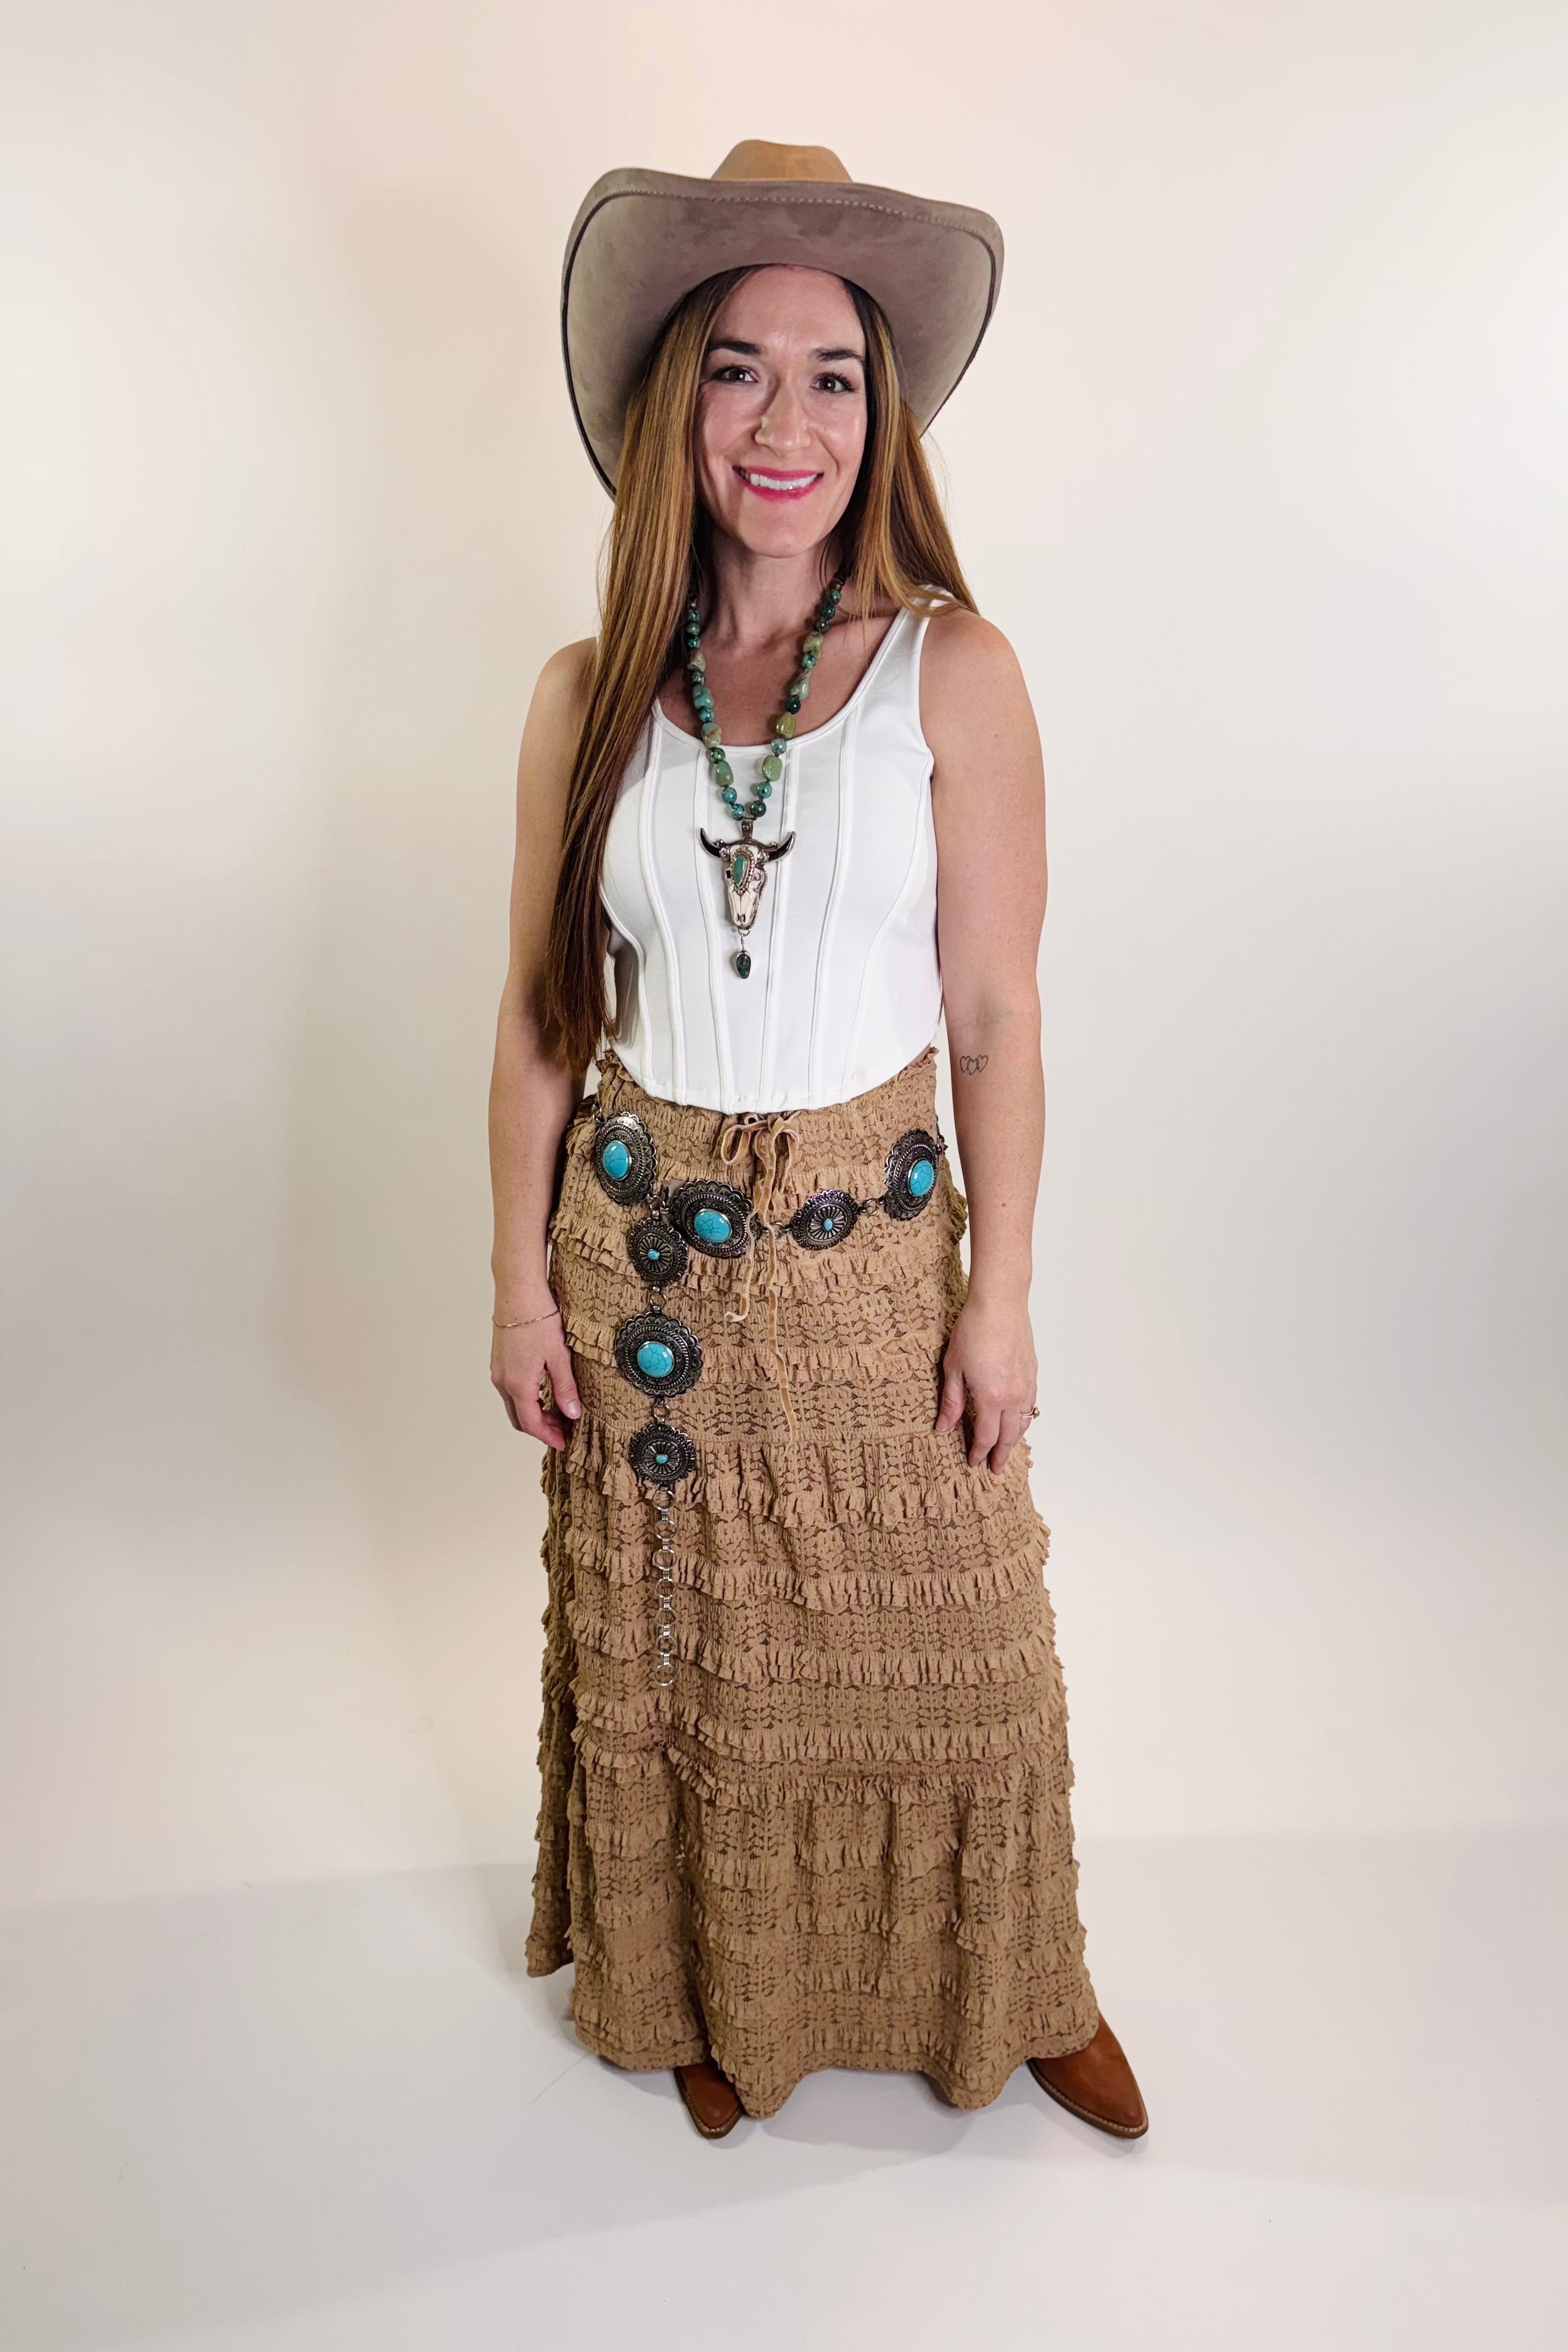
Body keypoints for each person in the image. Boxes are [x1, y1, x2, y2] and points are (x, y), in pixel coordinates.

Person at [488, 141, 1147, 2142]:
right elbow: (542, 1014)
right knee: (691, 1658)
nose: (791, 423)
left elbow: (1002, 1010)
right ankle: (702, 1986)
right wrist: (515, 1279)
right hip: (648, 1270)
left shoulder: (959, 669)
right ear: (677, 394)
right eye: (745, 368)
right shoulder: (591, 693)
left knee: (962, 1650)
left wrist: (1005, 1295)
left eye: (837, 375)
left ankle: (1013, 1982)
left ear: (885, 416)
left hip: (874, 1260)